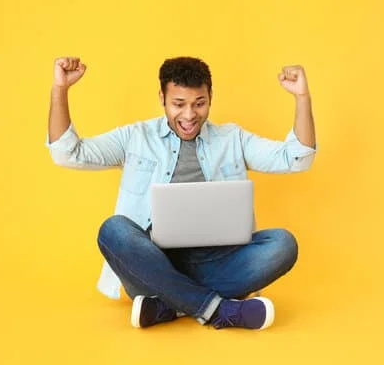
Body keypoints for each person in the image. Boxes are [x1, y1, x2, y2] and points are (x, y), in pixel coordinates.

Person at [46, 56, 317, 330]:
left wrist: (302, 97)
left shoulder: (232, 138)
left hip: (217, 261)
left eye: (199, 103)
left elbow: (296, 159)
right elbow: (67, 153)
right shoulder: (135, 137)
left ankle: (169, 305)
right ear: (162, 97)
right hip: (151, 261)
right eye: (179, 104)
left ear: (211, 97)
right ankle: (219, 310)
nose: (189, 116)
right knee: (112, 230)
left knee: (283, 243)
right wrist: (60, 90)